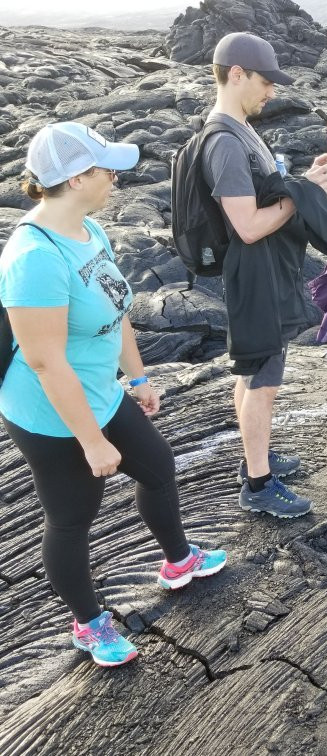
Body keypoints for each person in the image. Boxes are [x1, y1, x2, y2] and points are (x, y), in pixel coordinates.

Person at [0, 122, 227, 667]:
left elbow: (116, 308)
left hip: (100, 390)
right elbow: (45, 361)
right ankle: (88, 623)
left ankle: (178, 562)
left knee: (158, 466)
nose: (116, 178)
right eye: (107, 169)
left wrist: (139, 377)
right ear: (77, 179)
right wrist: (91, 440)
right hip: (51, 414)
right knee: (72, 517)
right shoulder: (34, 258)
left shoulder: (89, 230)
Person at [203, 32, 327, 517]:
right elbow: (248, 225)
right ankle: (258, 485)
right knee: (263, 380)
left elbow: (265, 196)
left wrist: (304, 182)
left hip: (262, 271)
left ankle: (253, 456)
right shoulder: (225, 142)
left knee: (253, 370)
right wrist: (299, 198)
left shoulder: (241, 129)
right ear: (237, 74)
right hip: (256, 274)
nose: (272, 91)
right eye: (266, 82)